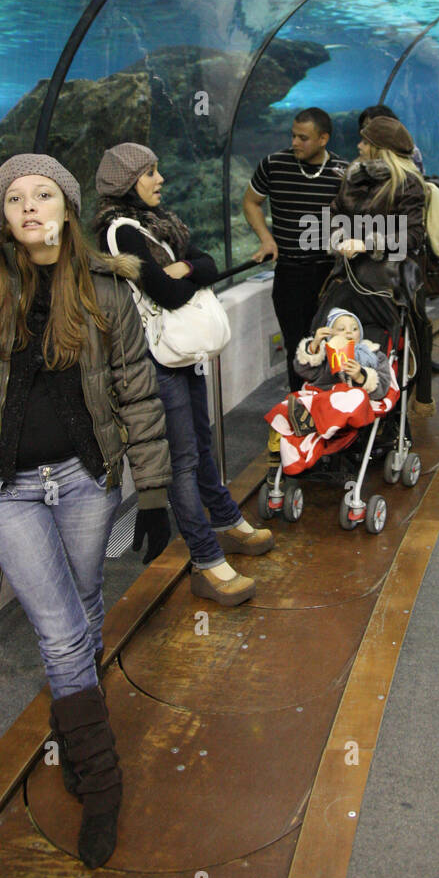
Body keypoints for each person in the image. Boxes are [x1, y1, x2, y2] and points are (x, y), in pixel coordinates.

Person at [0, 154, 172, 869]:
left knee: (87, 606)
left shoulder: (104, 289)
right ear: (2, 217)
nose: (29, 206)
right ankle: (103, 781)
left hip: (88, 479)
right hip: (8, 488)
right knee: (62, 633)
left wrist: (151, 492)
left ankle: (71, 724)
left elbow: (136, 392)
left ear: (66, 205)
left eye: (43, 194)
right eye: (14, 199)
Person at [95, 143, 273, 610]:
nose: (160, 180)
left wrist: (187, 266)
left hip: (182, 353)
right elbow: (168, 295)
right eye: (151, 172)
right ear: (127, 180)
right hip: (155, 359)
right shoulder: (121, 232)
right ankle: (205, 559)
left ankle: (225, 519)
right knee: (182, 459)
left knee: (201, 438)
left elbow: (207, 264)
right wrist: (185, 273)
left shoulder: (161, 224)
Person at [329, 113, 435, 414]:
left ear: (380, 148)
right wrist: (338, 238)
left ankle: (409, 396)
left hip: (394, 277)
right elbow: (334, 214)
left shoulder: (409, 183)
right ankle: (336, 395)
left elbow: (414, 235)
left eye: (365, 141)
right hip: (351, 274)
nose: (359, 146)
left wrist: (367, 243)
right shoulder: (352, 176)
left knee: (413, 327)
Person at [243, 108, 347, 390]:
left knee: (332, 342)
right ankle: (300, 411)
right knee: (297, 346)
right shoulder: (273, 164)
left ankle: (333, 410)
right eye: (293, 136)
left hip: (330, 274)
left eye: (304, 138)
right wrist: (266, 238)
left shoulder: (343, 172)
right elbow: (251, 202)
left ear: (323, 138)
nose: (295, 143)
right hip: (290, 273)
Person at [265, 306, 396, 476]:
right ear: (330, 335)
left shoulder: (374, 355)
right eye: (341, 329)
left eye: (354, 329)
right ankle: (277, 453)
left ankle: (311, 421)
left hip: (352, 401)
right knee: (283, 408)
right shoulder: (326, 355)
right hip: (323, 397)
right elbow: (303, 370)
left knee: (356, 396)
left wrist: (360, 376)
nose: (349, 333)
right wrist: (315, 345)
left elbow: (382, 388)